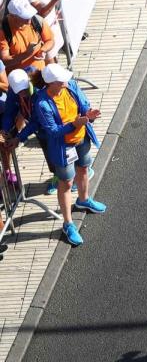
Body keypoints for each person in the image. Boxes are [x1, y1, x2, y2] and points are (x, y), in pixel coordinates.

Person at [32, 63, 102, 246]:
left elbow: (84, 104)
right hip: (63, 147)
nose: (66, 81)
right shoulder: (42, 103)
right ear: (51, 84)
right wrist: (75, 124)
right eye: (61, 80)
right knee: (66, 183)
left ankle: (84, 200)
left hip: (81, 138)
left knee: (84, 168)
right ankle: (68, 224)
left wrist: (89, 113)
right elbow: (53, 131)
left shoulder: (70, 86)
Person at [1, 0, 54, 79]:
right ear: (13, 16)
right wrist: (27, 54)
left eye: (29, 15)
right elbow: (5, 61)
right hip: (19, 82)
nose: (29, 21)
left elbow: (50, 40)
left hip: (39, 75)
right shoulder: (3, 31)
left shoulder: (37, 20)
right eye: (25, 17)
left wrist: (43, 50)